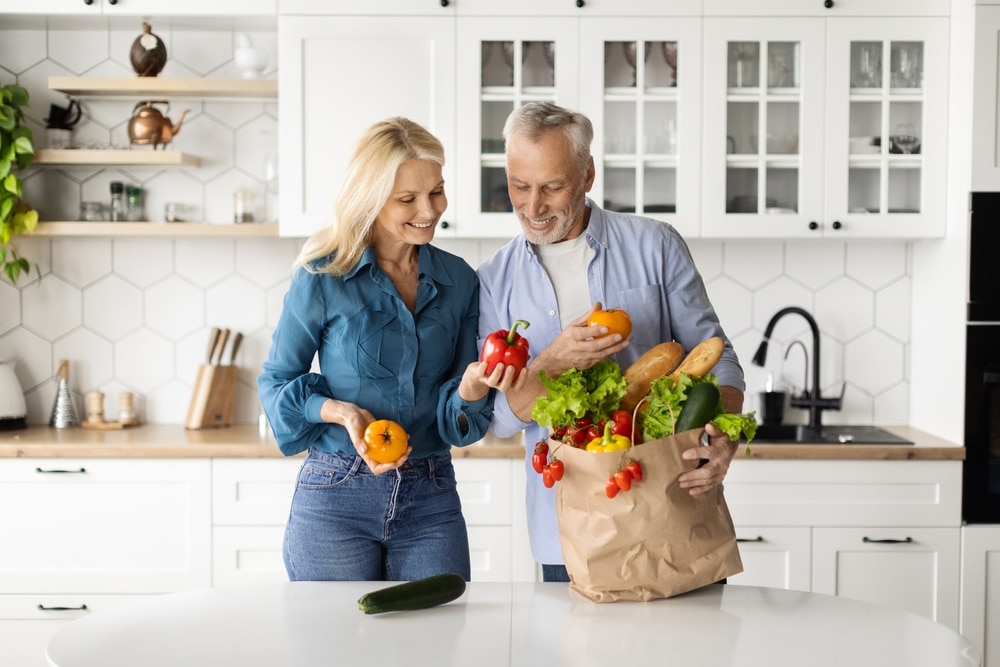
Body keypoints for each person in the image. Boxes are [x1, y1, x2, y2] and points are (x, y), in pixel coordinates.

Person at [477, 101, 746, 583]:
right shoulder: (494, 280)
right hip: (572, 526)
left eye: (552, 187)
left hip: (671, 508)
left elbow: (717, 358)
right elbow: (496, 418)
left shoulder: (656, 246)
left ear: (587, 175)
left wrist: (724, 436)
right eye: (520, 186)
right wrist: (552, 360)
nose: (533, 207)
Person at [258, 117, 520, 583]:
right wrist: (338, 411)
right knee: (334, 646)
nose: (429, 209)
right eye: (407, 199)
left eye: (436, 191)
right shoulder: (322, 276)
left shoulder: (459, 280)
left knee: (435, 643)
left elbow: (456, 418)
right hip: (336, 492)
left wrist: (472, 388)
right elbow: (276, 384)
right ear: (372, 198)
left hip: (431, 494)